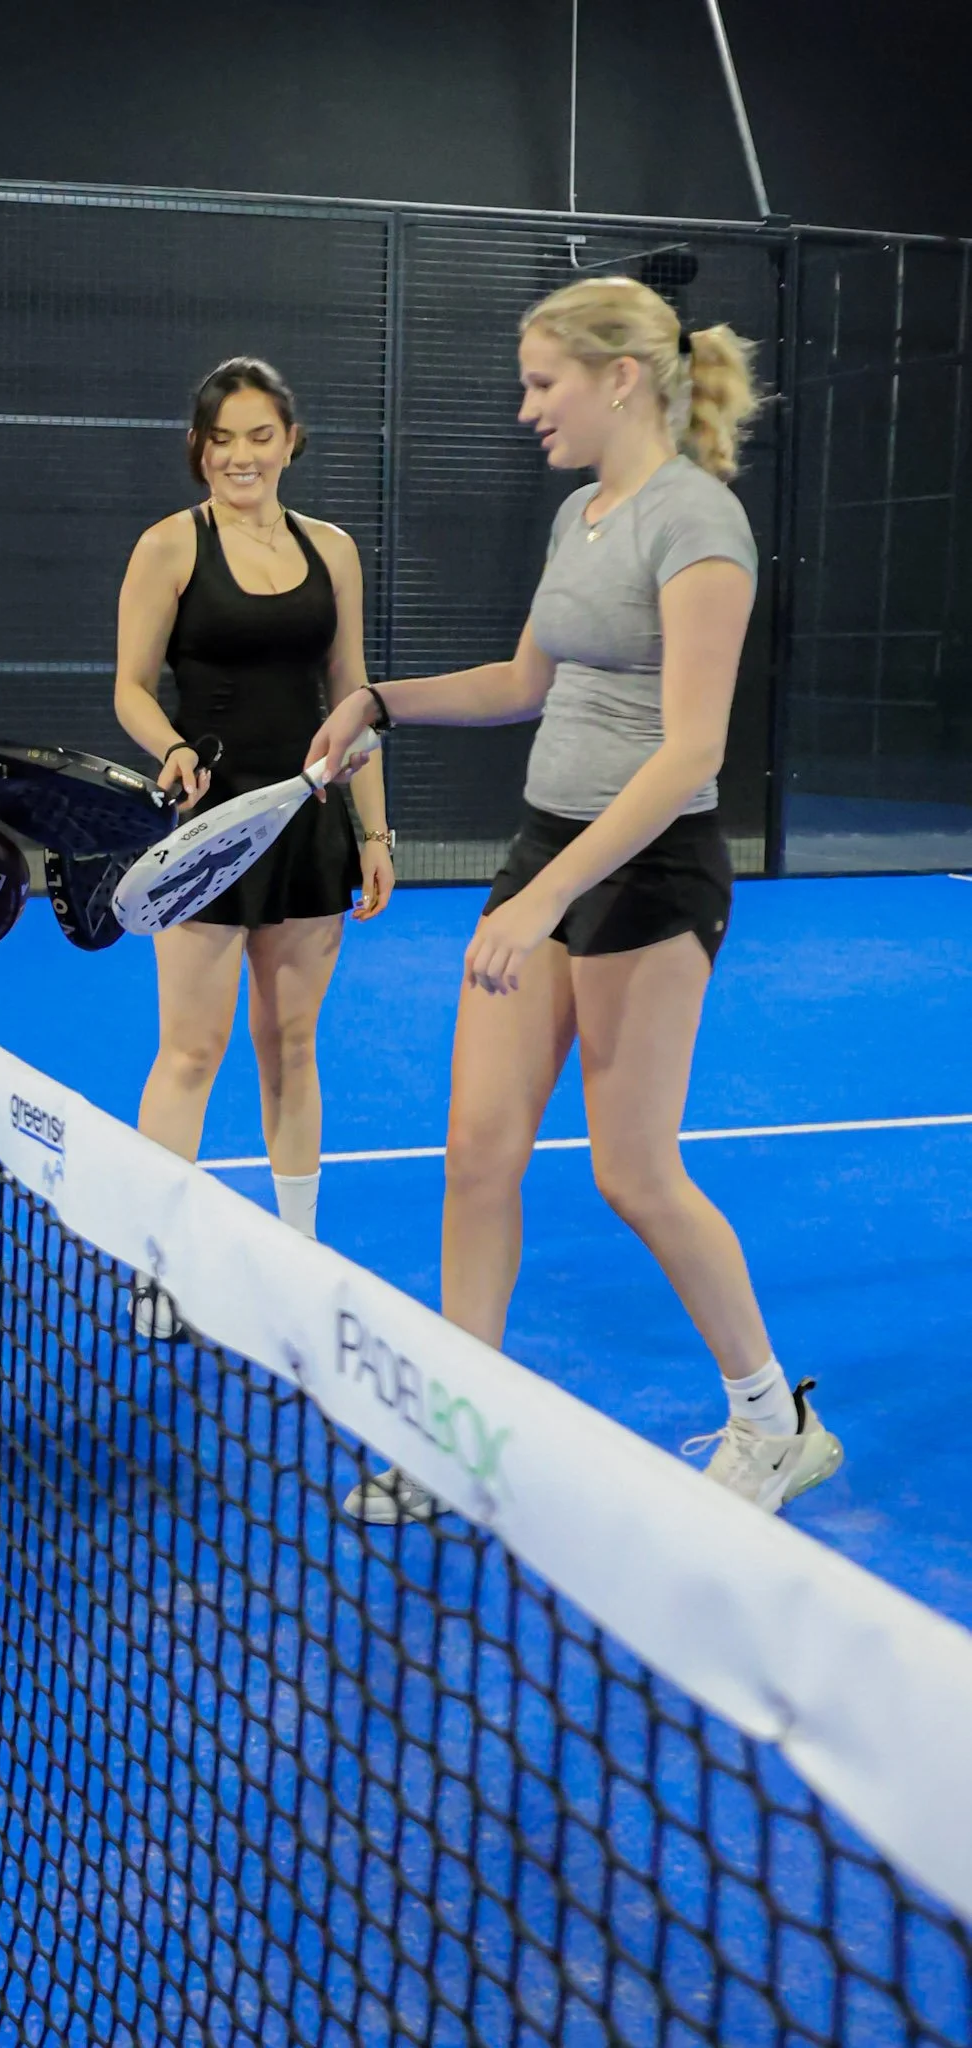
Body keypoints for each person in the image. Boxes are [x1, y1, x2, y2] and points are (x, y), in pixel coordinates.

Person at [306, 277, 842, 1520]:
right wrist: (379, 700)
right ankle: (459, 1431)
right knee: (477, 1151)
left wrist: (545, 897)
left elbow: (691, 754)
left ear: (622, 378)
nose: (525, 406)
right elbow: (522, 681)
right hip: (551, 844)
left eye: (544, 381)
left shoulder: (698, 524)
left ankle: (777, 1419)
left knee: (634, 1169)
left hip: (649, 871)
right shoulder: (579, 516)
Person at [113, 357, 393, 1266]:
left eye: (259, 436)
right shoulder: (168, 546)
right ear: (200, 450)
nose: (242, 456)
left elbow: (354, 697)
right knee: (191, 1051)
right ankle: (156, 1266)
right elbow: (130, 688)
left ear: (290, 442)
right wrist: (173, 748)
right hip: (210, 829)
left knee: (293, 1041)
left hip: (309, 820)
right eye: (223, 439)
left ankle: (301, 1249)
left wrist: (373, 831)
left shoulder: (334, 551)